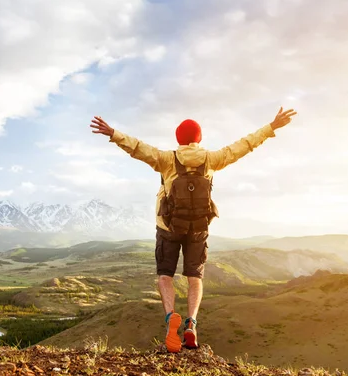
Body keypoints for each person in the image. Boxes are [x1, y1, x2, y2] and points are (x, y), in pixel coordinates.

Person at [89, 107, 297, 353]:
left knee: (165, 276)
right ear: (199, 139)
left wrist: (113, 133)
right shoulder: (212, 159)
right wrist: (271, 127)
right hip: (198, 228)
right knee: (195, 278)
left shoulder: (167, 159)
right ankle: (192, 324)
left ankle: (170, 320)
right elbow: (244, 145)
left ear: (178, 139)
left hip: (167, 227)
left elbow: (138, 148)